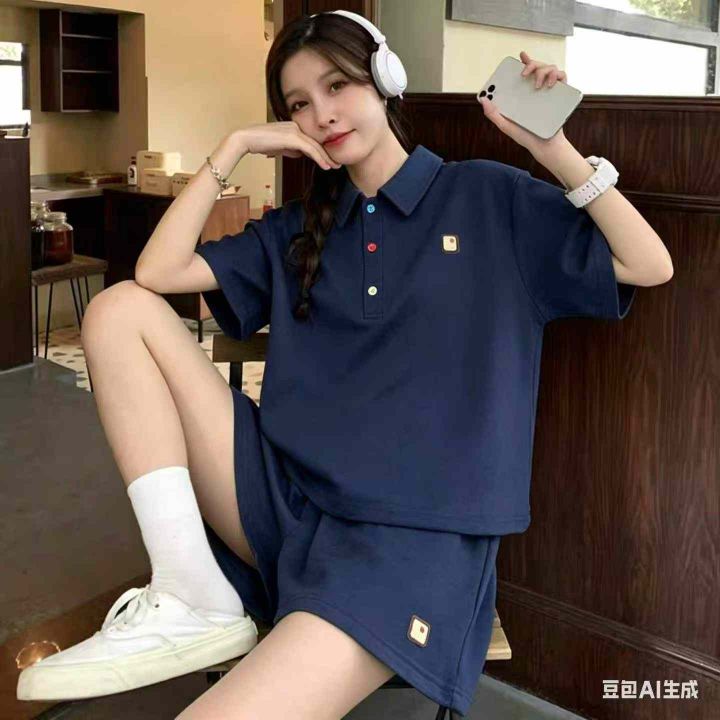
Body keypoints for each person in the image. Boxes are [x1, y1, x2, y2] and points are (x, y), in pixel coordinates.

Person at [17, 9, 672, 720]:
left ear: (385, 77)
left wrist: (553, 148)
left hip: (406, 546)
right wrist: (234, 147)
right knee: (118, 308)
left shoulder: (486, 196)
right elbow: (157, 273)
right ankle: (189, 591)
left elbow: (648, 263)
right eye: (299, 102)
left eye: (337, 85)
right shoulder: (300, 225)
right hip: (283, 504)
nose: (321, 114)